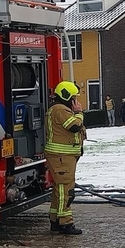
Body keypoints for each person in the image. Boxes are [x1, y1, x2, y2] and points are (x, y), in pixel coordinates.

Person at [45, 81, 85, 235]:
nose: (75, 102)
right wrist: (79, 113)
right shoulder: (61, 109)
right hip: (62, 156)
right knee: (65, 190)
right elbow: (74, 126)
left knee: (59, 189)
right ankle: (65, 222)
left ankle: (55, 219)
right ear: (67, 96)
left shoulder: (57, 109)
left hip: (62, 156)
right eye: (73, 97)